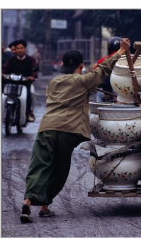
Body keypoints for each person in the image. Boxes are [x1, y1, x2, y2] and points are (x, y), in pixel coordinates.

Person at [20, 38, 131, 223]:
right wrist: (120, 51)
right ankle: (45, 205)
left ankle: (27, 201)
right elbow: (102, 70)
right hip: (69, 131)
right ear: (81, 65)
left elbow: (68, 87)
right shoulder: (83, 80)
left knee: (39, 166)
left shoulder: (54, 82)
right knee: (59, 169)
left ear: (63, 65)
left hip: (47, 128)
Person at [2, 39, 38, 122]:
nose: (19, 50)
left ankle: (29, 112)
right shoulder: (11, 60)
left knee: (31, 93)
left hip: (26, 83)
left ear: (25, 49)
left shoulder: (31, 60)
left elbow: (34, 69)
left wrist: (32, 76)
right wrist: (3, 74)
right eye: (17, 48)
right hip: (12, 82)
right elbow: (5, 68)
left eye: (21, 48)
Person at [94, 36, 121, 102]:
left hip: (104, 91)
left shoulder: (102, 60)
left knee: (98, 109)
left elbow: (94, 75)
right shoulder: (127, 61)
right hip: (122, 92)